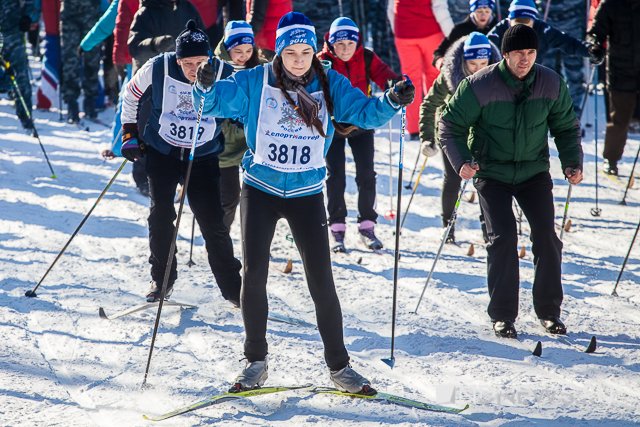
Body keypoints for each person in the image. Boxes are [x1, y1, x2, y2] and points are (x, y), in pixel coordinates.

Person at [193, 12, 414, 393]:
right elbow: (211, 104)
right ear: (279, 51)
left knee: (321, 281)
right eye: (291, 51)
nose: (298, 59)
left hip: (307, 195)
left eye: (306, 51)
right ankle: (255, 362)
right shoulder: (254, 79)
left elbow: (364, 112)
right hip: (260, 189)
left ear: (315, 51)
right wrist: (206, 84)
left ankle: (340, 367)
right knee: (255, 275)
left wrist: (392, 100)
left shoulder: (330, 82)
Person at [438, 24, 584, 339]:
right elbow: (449, 125)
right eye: (518, 53)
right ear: (505, 54)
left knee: (547, 237)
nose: (525, 59)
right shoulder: (479, 85)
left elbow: (566, 127)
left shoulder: (550, 83)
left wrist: (572, 162)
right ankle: (503, 316)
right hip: (492, 174)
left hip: (533, 173)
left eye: (531, 53)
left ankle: (549, 312)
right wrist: (462, 161)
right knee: (503, 238)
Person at [120, 20, 242, 305]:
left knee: (212, 222)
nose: (195, 69)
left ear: (210, 58)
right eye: (188, 62)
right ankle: (162, 280)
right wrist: (129, 133)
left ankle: (234, 289)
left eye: (201, 61)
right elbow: (132, 93)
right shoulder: (159, 66)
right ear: (177, 59)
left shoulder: (224, 72)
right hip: (163, 151)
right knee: (160, 215)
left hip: (203, 156)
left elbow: (244, 104)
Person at [318, 17, 400, 252]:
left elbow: (385, 76)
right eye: (340, 44)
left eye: (349, 44)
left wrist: (398, 86)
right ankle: (336, 225)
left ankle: (367, 224)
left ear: (357, 44)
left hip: (362, 123)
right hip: (332, 125)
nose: (345, 49)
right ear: (331, 43)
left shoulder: (365, 57)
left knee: (366, 174)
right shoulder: (322, 62)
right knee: (336, 176)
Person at [419, 32, 500, 243]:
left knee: (487, 180)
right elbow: (428, 105)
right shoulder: (449, 77)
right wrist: (427, 138)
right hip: (453, 134)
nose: (479, 68)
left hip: (483, 133)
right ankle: (448, 225)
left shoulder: (497, 77)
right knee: (454, 178)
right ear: (464, 61)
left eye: (484, 62)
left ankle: (488, 227)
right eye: (473, 63)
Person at [487, 0, 604, 115]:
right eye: (517, 22)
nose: (521, 28)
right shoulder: (501, 29)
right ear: (509, 20)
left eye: (526, 21)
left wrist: (589, 50)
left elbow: (567, 42)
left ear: (533, 21)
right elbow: (485, 46)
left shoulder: (542, 29)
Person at [214, 20, 265, 228]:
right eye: (238, 50)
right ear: (227, 48)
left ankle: (255, 241)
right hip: (224, 145)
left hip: (254, 143)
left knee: (257, 200)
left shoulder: (261, 68)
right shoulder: (215, 68)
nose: (244, 55)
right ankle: (220, 239)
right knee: (229, 198)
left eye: (248, 49)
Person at [387, 0, 454, 140]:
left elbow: (391, 8)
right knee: (434, 77)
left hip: (404, 32)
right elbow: (439, 7)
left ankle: (415, 129)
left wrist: (398, 31)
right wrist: (452, 36)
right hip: (431, 31)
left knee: (411, 81)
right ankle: (438, 121)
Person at [587, 0, 640, 176]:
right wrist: (595, 46)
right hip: (620, 72)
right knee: (619, 119)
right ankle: (611, 159)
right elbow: (595, 32)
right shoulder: (610, 5)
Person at [60, 0, 102, 123]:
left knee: (92, 60)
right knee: (70, 61)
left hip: (91, 15)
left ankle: (90, 101)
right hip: (69, 17)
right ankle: (71, 102)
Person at [0, 0, 37, 132]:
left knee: (20, 76)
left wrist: (28, 16)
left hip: (13, 33)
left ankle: (26, 118)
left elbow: (31, 3)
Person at [433, 0, 498, 70]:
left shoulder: (499, 29)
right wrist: (440, 62)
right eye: (479, 11)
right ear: (473, 11)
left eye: (487, 11)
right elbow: (439, 52)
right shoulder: (460, 30)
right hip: (465, 73)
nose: (483, 15)